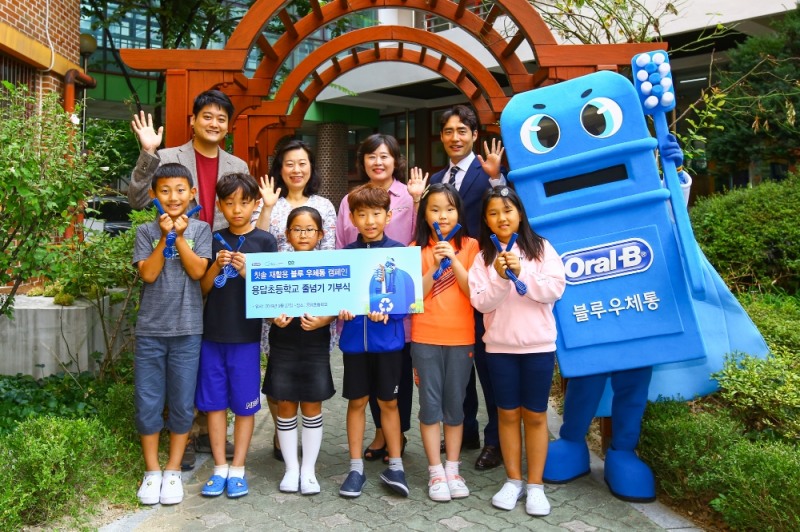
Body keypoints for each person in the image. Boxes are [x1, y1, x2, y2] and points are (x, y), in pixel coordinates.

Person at [129, 89, 247, 468]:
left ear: (228, 126)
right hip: (177, 261)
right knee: (188, 345)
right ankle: (190, 434)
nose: (214, 123)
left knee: (211, 347)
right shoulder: (168, 158)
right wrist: (148, 152)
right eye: (207, 116)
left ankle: (211, 427)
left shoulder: (236, 163)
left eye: (221, 118)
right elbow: (135, 199)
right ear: (193, 120)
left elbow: (243, 212)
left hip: (220, 263)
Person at [408, 104, 506, 470]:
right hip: (442, 296)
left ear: (475, 135)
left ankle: (494, 440)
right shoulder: (436, 176)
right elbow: (423, 227)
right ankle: (464, 430)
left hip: (480, 278)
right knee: (455, 373)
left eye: (461, 130)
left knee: (487, 367)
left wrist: (497, 179)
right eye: (448, 131)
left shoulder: (489, 172)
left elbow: (504, 210)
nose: (454, 137)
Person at [468, 186, 566, 516]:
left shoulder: (540, 248)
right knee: (507, 414)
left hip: (538, 346)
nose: (502, 218)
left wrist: (523, 271)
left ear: (519, 214)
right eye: (493, 213)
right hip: (499, 348)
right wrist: (498, 277)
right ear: (486, 219)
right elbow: (480, 301)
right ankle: (513, 480)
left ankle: (536, 486)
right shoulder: (483, 257)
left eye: (507, 211)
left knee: (536, 416)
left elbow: (554, 289)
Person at [132, 163, 212, 505]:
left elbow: (198, 271)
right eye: (165, 190)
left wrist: (178, 237)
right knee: (148, 402)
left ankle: (173, 470)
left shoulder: (202, 229)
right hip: (150, 331)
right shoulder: (145, 232)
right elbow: (148, 275)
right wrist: (164, 237)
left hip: (188, 330)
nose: (173, 197)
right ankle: (152, 473)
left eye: (180, 190)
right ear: (153, 195)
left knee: (181, 402)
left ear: (192, 194)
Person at [195, 173, 277, 499]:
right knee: (214, 406)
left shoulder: (265, 242)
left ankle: (239, 468)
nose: (237, 209)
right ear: (219, 205)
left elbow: (270, 294)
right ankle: (219, 468)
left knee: (245, 407)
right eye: (229, 203)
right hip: (211, 337)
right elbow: (201, 288)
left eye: (244, 202)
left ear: (256, 204)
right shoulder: (211, 238)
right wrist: (216, 267)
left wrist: (246, 270)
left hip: (246, 339)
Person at [335, 134, 416, 464]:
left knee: (394, 389)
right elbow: (342, 252)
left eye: (384, 156)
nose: (378, 161)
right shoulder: (348, 201)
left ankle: (395, 442)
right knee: (362, 391)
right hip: (357, 325)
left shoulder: (410, 197)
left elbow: (414, 249)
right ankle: (377, 442)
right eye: (371, 156)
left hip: (395, 317)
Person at [255, 139, 337, 461]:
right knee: (278, 375)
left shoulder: (325, 205)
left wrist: (327, 311)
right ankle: (281, 432)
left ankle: (300, 439)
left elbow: (329, 256)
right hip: (277, 305)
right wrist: (267, 206)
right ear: (280, 168)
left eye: (302, 163)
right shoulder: (270, 202)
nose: (296, 169)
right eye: (289, 163)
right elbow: (257, 245)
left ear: (311, 167)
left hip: (313, 306)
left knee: (309, 374)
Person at [337, 183, 409, 499]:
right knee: (356, 402)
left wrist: (390, 315)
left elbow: (405, 300)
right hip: (354, 343)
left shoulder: (397, 254)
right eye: (362, 214)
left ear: (388, 215)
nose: (369, 221)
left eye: (376, 213)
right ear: (352, 217)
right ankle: (355, 468)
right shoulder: (344, 257)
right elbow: (335, 297)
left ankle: (396, 465)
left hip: (389, 344)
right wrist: (338, 309)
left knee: (389, 402)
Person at [410, 183, 479, 502]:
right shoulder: (415, 249)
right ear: (424, 215)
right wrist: (436, 266)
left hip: (461, 338)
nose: (443, 215)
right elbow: (414, 298)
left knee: (455, 405)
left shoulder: (472, 246)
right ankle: (435, 471)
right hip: (425, 337)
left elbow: (474, 293)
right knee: (430, 405)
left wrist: (455, 260)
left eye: (450, 208)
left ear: (459, 212)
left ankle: (453, 468)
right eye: (435, 209)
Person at [262, 206, 337, 495]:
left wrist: (326, 319)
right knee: (285, 403)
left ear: (320, 234)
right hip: (284, 341)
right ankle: (291, 469)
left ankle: (309, 470)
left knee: (312, 404)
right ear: (287, 233)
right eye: (297, 229)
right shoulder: (275, 264)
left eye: (309, 230)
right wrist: (272, 317)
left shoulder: (328, 264)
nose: (303, 234)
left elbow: (338, 302)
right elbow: (264, 302)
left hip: (315, 342)